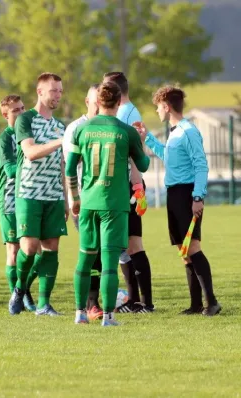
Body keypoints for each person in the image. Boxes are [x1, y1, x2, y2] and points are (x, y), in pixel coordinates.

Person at [66, 81, 150, 326]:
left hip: (89, 202)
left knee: (85, 259)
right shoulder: (126, 132)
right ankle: (109, 317)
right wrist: (141, 141)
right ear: (118, 102)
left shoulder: (81, 129)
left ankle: (80, 313)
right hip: (114, 204)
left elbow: (70, 168)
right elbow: (143, 166)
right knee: (110, 262)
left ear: (98, 101)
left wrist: (76, 197)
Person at [134, 86, 221, 316]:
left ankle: (211, 302)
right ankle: (195, 305)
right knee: (184, 251)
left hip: (187, 194)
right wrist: (148, 138)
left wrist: (198, 196)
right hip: (174, 195)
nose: (156, 110)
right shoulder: (174, 132)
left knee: (192, 247)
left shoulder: (188, 131)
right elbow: (169, 157)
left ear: (166, 106)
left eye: (158, 106)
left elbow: (201, 165)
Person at [9, 72, 67, 316]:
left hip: (54, 195)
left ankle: (44, 304)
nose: (58, 95)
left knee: (52, 248)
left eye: (60, 91)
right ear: (40, 91)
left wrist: (66, 197)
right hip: (29, 192)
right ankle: (20, 289)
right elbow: (30, 152)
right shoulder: (25, 120)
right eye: (54, 90)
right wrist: (60, 141)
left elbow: (63, 165)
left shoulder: (60, 126)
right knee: (30, 247)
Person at [102, 72, 154, 313]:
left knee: (134, 244)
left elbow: (137, 154)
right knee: (125, 247)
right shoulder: (126, 112)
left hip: (129, 187)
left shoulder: (126, 114)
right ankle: (134, 301)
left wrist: (137, 187)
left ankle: (145, 302)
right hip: (123, 188)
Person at [62, 84, 104, 321]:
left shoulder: (110, 127)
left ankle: (102, 301)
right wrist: (72, 198)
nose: (99, 103)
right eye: (95, 99)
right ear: (86, 101)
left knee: (106, 251)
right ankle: (90, 304)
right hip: (84, 201)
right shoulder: (76, 129)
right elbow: (70, 165)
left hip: (106, 200)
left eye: (102, 99)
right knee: (92, 251)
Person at [0, 94, 36, 310]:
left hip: (30, 196)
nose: (21, 113)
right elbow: (10, 170)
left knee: (35, 251)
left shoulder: (30, 132)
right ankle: (18, 296)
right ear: (5, 115)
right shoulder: (4, 140)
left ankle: (23, 288)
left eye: (22, 108)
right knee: (14, 250)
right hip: (10, 200)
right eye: (15, 110)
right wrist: (31, 155)